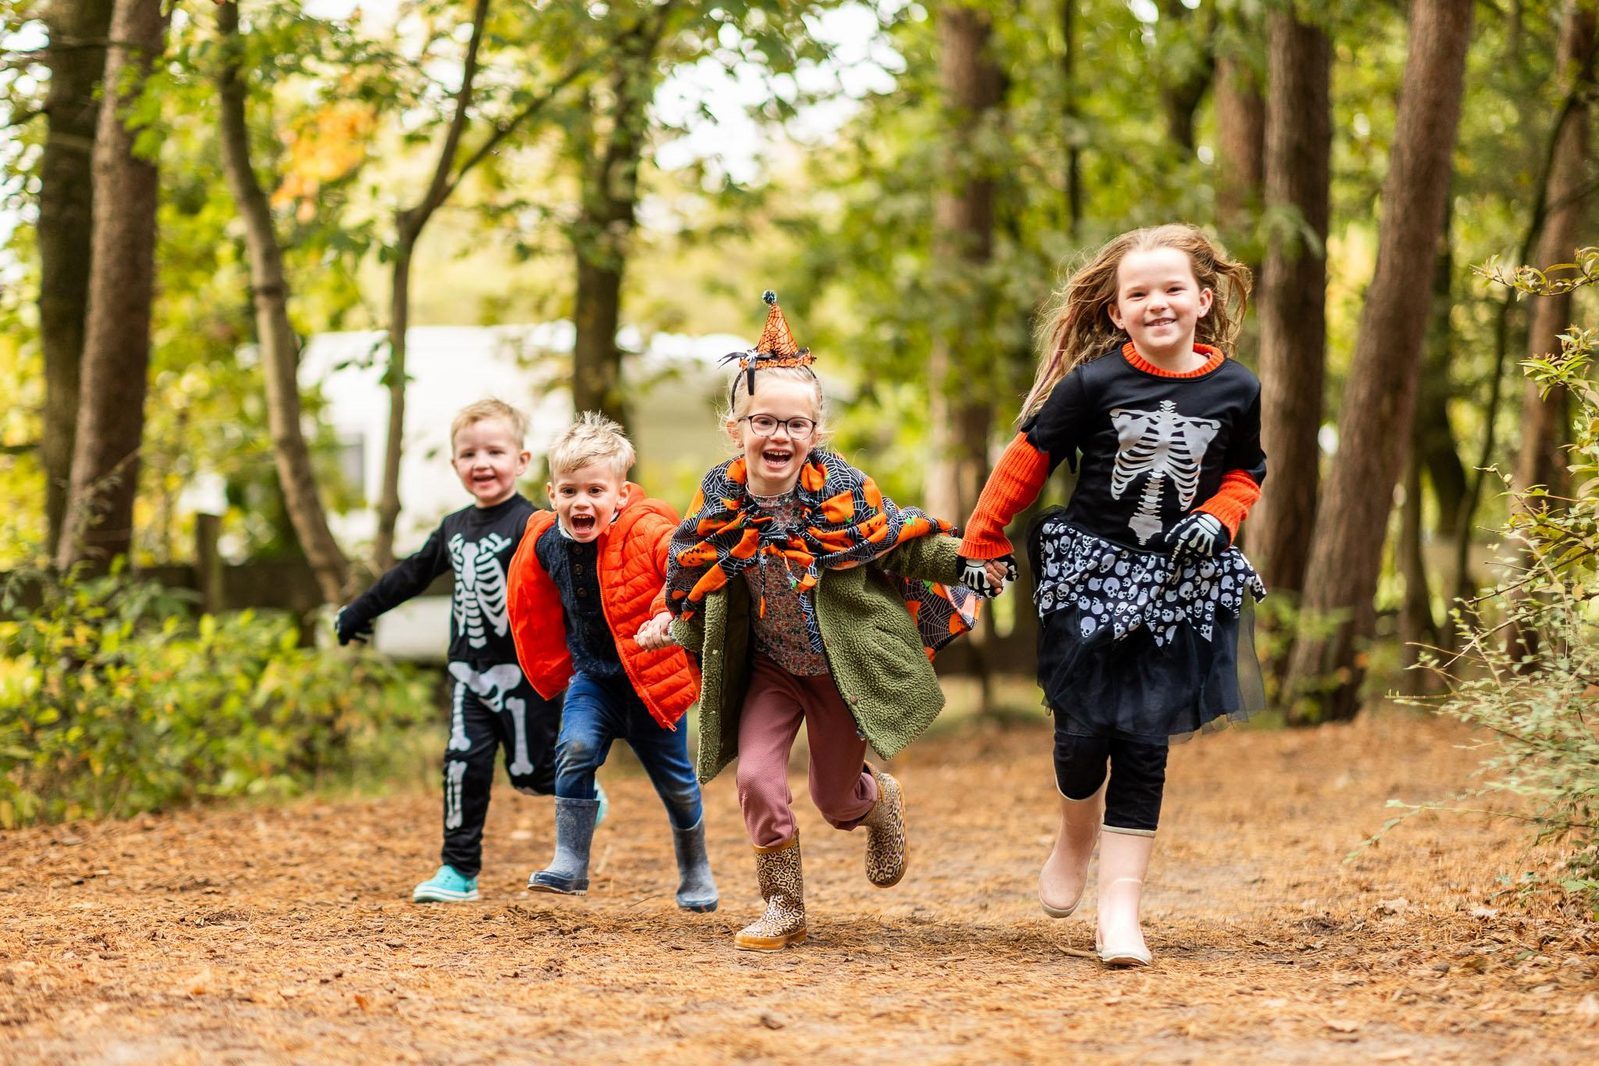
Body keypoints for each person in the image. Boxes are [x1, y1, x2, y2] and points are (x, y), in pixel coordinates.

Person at [956, 224, 1267, 968]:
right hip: (1088, 574)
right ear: (1116, 313)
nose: (1156, 303)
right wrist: (981, 539)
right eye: (1138, 294)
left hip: (1178, 585)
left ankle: (1119, 910)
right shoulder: (1093, 384)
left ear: (1202, 297)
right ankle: (1073, 833)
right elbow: (1028, 461)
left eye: (1170, 289)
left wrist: (1219, 518)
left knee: (1144, 744)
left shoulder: (1237, 387)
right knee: (1081, 736)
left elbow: (1244, 470)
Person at [641, 291, 984, 951]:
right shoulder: (718, 496)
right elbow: (694, 569)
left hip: (838, 667)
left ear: (815, 432)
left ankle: (874, 800)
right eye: (763, 421)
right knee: (756, 779)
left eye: (795, 425)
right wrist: (669, 615)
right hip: (769, 669)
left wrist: (969, 564)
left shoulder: (843, 493)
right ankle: (783, 906)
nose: (779, 436)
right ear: (735, 428)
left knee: (833, 800)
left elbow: (904, 542)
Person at [335, 398, 563, 904]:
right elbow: (410, 575)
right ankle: (458, 870)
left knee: (531, 776)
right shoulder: (453, 528)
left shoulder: (538, 524)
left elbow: (570, 590)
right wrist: (359, 610)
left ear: (522, 461)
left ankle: (579, 792)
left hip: (525, 674)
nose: (482, 463)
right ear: (455, 464)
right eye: (469, 454)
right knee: (463, 762)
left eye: (495, 452)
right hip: (468, 674)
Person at [505, 412, 717, 912]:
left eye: (596, 491)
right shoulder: (545, 543)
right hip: (593, 680)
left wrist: (666, 613)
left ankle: (695, 868)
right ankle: (571, 861)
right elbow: (530, 599)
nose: (583, 502)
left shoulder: (645, 531)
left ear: (620, 496)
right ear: (552, 494)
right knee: (574, 748)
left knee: (678, 786)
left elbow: (681, 567)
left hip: (650, 682)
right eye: (570, 491)